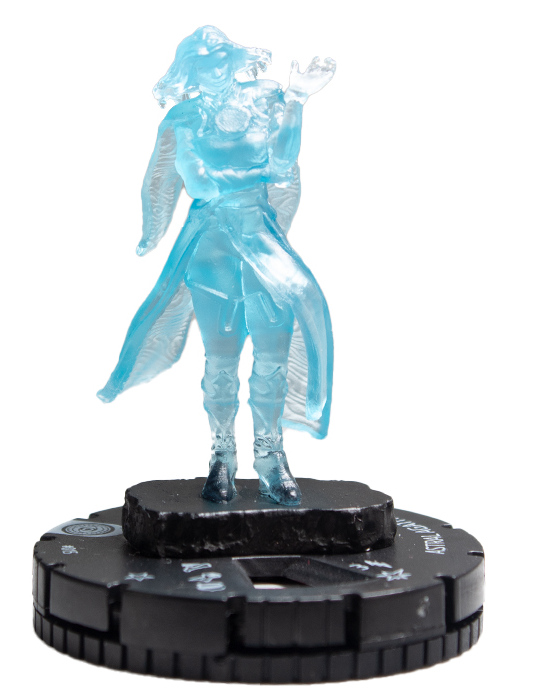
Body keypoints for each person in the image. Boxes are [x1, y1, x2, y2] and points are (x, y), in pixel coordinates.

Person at [98, 26, 335, 506]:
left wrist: (297, 101)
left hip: (262, 242)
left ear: (234, 59)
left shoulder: (267, 99)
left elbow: (283, 165)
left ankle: (271, 456)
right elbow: (194, 181)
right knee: (221, 359)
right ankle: (222, 457)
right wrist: (246, 177)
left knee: (274, 350)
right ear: (189, 70)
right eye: (203, 62)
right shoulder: (184, 118)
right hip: (212, 250)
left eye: (222, 57)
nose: (215, 69)